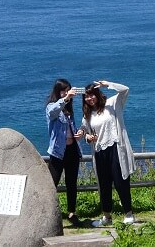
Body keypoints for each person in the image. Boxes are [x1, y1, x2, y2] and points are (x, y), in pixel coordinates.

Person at [81, 80, 136, 227]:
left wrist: (108, 84)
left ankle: (129, 214)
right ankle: (106, 216)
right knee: (104, 185)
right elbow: (85, 132)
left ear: (98, 94)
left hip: (115, 147)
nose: (90, 98)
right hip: (99, 151)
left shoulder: (112, 103)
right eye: (87, 96)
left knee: (120, 181)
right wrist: (88, 138)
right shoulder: (87, 115)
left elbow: (125, 89)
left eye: (92, 95)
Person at [45, 78, 84, 227]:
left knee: (71, 183)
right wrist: (66, 98)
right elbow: (53, 112)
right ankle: (49, 213)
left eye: (68, 90)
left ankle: (72, 212)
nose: (66, 93)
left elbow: (70, 129)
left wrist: (78, 134)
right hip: (57, 152)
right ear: (57, 92)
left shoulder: (68, 109)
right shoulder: (51, 107)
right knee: (51, 183)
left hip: (72, 150)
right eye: (63, 90)